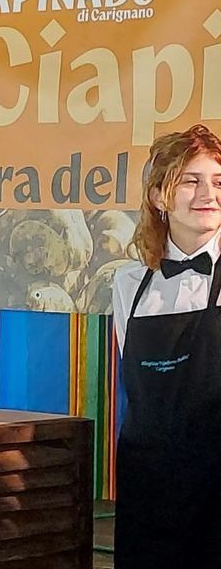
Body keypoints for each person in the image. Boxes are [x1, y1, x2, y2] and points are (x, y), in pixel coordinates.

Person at [111, 123, 221, 568]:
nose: (208, 194)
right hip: (149, 492)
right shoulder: (128, 284)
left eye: (218, 181)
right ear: (159, 196)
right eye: (191, 181)